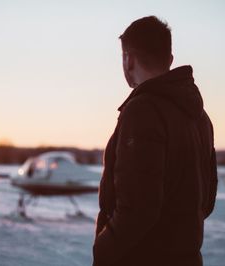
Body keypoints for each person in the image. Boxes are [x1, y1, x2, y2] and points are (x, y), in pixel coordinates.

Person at [93, 16, 217, 266]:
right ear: (170, 60)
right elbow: (206, 201)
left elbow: (137, 210)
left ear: (128, 60)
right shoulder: (200, 117)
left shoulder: (142, 111)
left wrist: (103, 250)